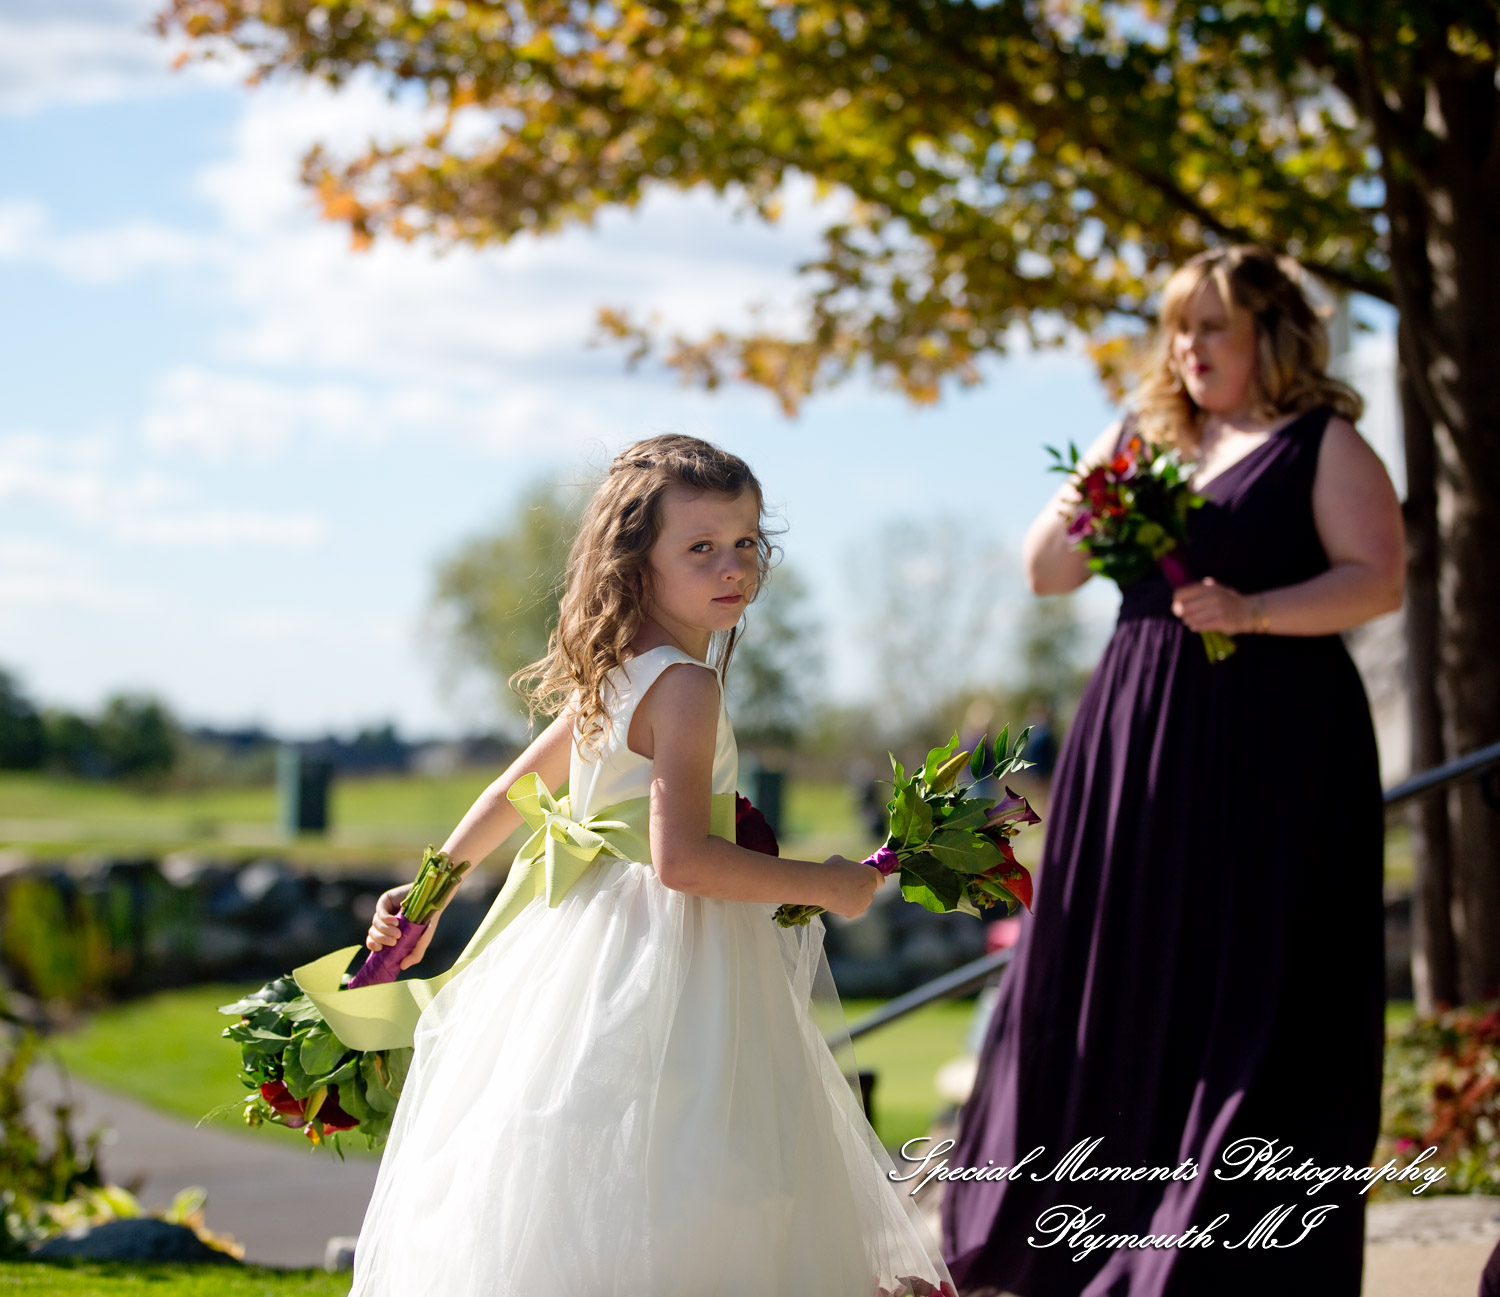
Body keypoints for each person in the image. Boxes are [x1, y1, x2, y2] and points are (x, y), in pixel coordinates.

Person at [348, 434, 955, 1297]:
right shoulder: (685, 686)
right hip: (666, 958)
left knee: (587, 1169)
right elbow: (680, 860)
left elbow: (508, 791)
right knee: (702, 1169)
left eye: (746, 542)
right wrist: (827, 883)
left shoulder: (614, 674)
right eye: (700, 547)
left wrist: (435, 887)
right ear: (637, 563)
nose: (731, 566)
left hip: (581, 945)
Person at [940, 246, 1404, 1297]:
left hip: (1277, 745)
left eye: (1215, 327)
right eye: (1180, 327)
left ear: (1271, 336)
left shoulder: (1322, 444)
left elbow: (1378, 581)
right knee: (1118, 961)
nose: (1190, 347)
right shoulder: (1145, 438)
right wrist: (1109, 466)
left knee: (1249, 978)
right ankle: (1076, 1226)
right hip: (1137, 731)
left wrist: (1255, 611)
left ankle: (1212, 1242)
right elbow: (1045, 570)